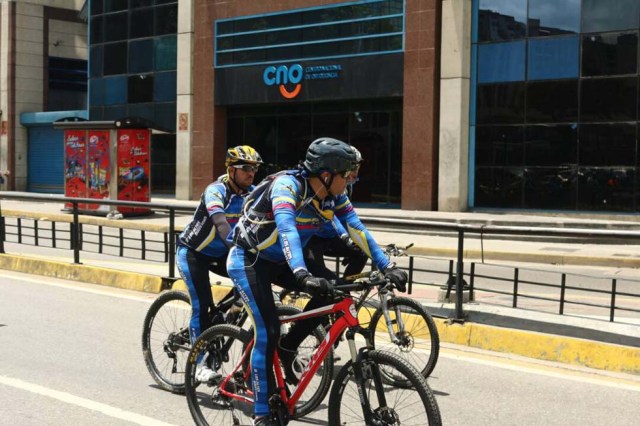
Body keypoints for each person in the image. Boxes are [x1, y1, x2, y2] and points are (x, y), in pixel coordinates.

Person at [227, 137, 408, 426]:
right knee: (268, 330)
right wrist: (302, 273)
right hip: (249, 260)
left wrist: (387, 266)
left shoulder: (333, 195)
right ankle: (261, 413)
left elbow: (357, 228)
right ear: (327, 175)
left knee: (334, 293)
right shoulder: (287, 187)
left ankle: (289, 347)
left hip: (282, 261)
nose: (350, 180)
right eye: (346, 175)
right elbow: (286, 229)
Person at [176, 145, 262, 382]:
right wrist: (236, 247)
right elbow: (221, 224)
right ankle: (199, 363)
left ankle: (222, 321)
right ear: (231, 170)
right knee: (202, 305)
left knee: (255, 282)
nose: (251, 173)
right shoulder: (216, 190)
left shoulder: (251, 193)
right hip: (194, 253)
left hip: (222, 253)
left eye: (254, 169)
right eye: (245, 168)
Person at [303, 145, 367, 281]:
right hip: (313, 238)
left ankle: (345, 287)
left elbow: (350, 219)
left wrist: (351, 243)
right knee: (326, 284)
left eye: (357, 168)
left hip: (331, 236)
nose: (355, 173)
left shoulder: (346, 186)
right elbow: (329, 216)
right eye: (352, 167)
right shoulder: (326, 184)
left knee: (361, 252)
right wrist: (346, 238)